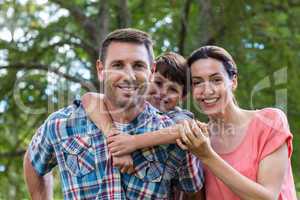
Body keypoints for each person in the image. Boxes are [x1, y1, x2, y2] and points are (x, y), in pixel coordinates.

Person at [23, 28, 203, 200]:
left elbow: (193, 192)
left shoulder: (175, 136)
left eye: (138, 65)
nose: (129, 75)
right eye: (117, 65)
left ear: (151, 71)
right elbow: (33, 161)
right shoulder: (62, 124)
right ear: (101, 70)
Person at [178, 45, 297, 199]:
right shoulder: (198, 140)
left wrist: (207, 156)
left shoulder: (269, 121)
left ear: (233, 82)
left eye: (216, 80)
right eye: (197, 82)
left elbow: (268, 197)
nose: (207, 90)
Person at [82, 52, 203, 199]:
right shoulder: (123, 106)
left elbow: (183, 129)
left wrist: (131, 143)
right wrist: (116, 141)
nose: (162, 92)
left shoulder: (176, 116)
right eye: (158, 83)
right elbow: (89, 98)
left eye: (173, 89)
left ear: (182, 97)